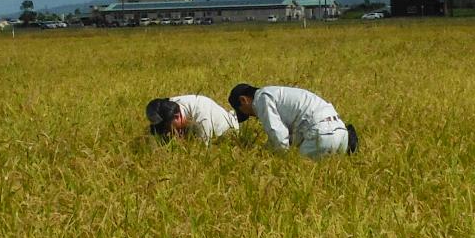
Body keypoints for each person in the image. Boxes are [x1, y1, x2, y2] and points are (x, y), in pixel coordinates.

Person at [227, 83, 359, 158]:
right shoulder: (278, 93)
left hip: (321, 135)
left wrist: (277, 160)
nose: (252, 116)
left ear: (244, 100)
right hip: (342, 135)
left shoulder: (262, 99)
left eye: (245, 112)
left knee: (298, 174)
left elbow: (278, 136)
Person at [145, 94, 237, 142]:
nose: (168, 132)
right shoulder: (169, 105)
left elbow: (202, 153)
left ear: (177, 117)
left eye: (168, 127)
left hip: (230, 133)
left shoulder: (201, 118)